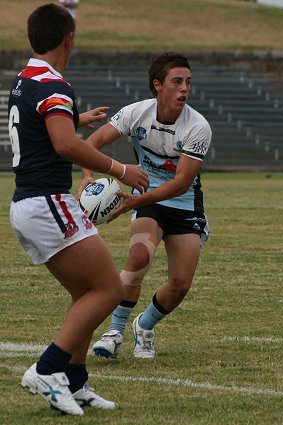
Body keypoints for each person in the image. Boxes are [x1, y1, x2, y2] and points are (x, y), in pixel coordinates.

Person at [8, 3, 148, 416]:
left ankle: (74, 379)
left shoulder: (25, 78)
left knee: (84, 293)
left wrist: (72, 116)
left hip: (27, 205)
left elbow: (40, 123)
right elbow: (65, 145)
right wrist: (122, 168)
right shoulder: (55, 83)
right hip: (48, 202)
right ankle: (48, 370)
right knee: (109, 289)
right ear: (69, 39)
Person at [78, 52, 212, 360]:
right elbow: (90, 145)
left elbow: (180, 183)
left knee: (180, 284)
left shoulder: (198, 127)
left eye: (188, 82)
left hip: (183, 203)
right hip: (147, 199)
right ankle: (114, 332)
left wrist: (136, 201)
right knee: (139, 256)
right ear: (157, 85)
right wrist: (87, 176)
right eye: (177, 81)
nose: (184, 89)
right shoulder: (135, 114)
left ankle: (145, 325)